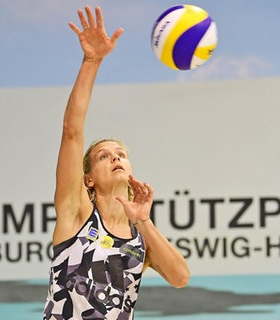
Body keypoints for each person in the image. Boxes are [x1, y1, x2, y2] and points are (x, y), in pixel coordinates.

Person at [43, 5, 190, 319]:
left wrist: (143, 221)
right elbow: (71, 132)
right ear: (88, 179)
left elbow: (180, 278)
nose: (115, 158)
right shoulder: (76, 211)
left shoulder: (139, 235)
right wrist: (92, 61)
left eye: (121, 155)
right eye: (103, 156)